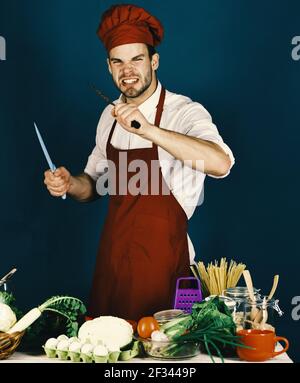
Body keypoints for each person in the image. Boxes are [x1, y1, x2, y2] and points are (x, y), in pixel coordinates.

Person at [44, 4, 235, 321]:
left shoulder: (184, 112)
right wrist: (69, 183)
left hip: (165, 266)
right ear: (108, 67)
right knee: (105, 351)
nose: (127, 69)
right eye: (118, 61)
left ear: (154, 61)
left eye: (137, 58)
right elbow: (93, 184)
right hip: (112, 266)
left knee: (165, 355)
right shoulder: (108, 116)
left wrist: (149, 129)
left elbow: (220, 163)